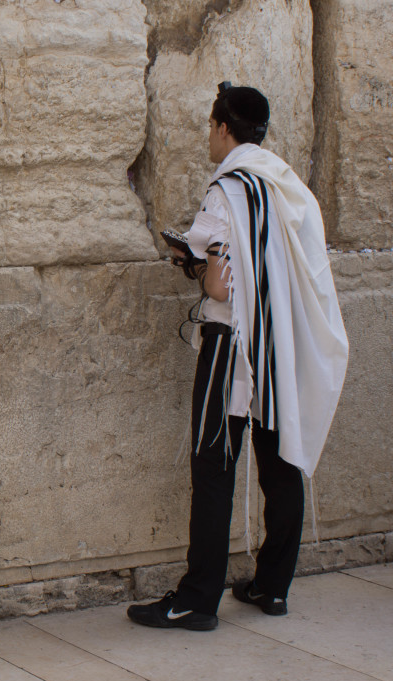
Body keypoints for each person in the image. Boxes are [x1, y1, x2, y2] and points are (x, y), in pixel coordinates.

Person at [127, 83, 348, 631]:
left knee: (214, 468)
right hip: (280, 344)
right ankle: (272, 587)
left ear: (225, 128)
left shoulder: (228, 190)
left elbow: (222, 288)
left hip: (232, 348)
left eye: (210, 126)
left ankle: (197, 600)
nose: (208, 136)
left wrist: (190, 262)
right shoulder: (285, 185)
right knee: (280, 463)